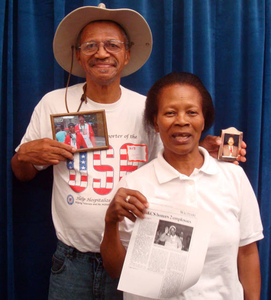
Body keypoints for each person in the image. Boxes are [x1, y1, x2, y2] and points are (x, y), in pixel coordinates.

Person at [10, 4, 246, 300]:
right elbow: (22, 173)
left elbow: (172, 162)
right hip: (71, 263)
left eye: (112, 45)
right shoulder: (53, 104)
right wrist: (25, 156)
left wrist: (202, 148)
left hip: (138, 257)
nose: (101, 53)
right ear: (79, 55)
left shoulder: (146, 108)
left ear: (127, 54)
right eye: (90, 45)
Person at [101, 72, 263, 299]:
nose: (181, 120)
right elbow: (116, 270)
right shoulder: (134, 185)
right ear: (155, 123)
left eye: (192, 112)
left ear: (204, 120)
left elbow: (247, 253)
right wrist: (110, 222)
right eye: (169, 113)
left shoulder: (233, 177)